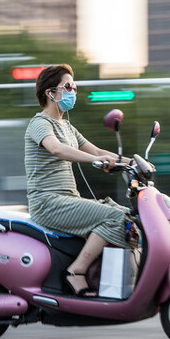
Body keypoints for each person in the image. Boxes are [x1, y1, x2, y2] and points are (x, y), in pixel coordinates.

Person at [24, 64, 133, 296]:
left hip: (68, 200)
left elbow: (97, 151)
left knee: (127, 216)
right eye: (68, 87)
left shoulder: (67, 126)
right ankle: (76, 271)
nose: (73, 91)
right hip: (47, 202)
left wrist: (134, 162)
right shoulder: (40, 123)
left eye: (74, 87)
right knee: (114, 218)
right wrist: (95, 161)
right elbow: (56, 149)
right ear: (50, 93)